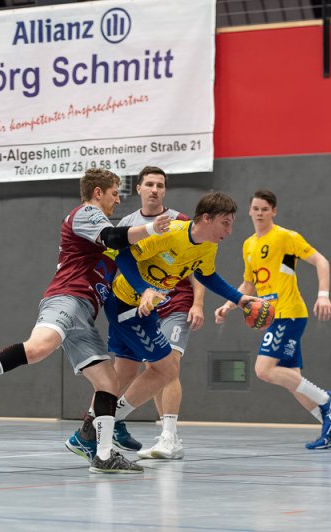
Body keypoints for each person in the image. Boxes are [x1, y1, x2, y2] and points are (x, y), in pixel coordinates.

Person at [0, 168, 170, 474]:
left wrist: (147, 289)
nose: (118, 200)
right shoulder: (87, 213)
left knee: (108, 383)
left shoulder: (105, 242)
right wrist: (152, 228)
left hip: (85, 315)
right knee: (40, 347)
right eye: (115, 193)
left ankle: (104, 456)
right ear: (98, 192)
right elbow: (113, 236)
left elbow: (121, 254)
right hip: (66, 298)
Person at [70, 191, 258, 460]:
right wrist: (144, 289)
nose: (229, 231)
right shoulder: (170, 233)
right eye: (225, 223)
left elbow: (208, 275)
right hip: (126, 305)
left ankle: (88, 433)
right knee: (167, 369)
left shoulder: (208, 246)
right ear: (206, 218)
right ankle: (103, 425)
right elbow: (124, 257)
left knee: (124, 372)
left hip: (145, 308)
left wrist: (240, 299)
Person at [66, 166, 205, 461]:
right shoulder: (127, 225)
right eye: (149, 184)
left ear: (165, 191)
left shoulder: (179, 221)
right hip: (134, 304)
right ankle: (96, 427)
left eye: (160, 185)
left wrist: (198, 303)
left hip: (174, 302)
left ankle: (168, 436)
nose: (155, 189)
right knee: (125, 371)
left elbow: (197, 267)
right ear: (139, 189)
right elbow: (118, 265)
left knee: (168, 364)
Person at [214, 189, 331, 450]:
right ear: (249, 211)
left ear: (273, 211)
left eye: (265, 209)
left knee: (263, 370)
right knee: (293, 380)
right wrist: (229, 305)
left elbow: (321, 261)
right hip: (273, 316)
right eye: (255, 208)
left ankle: (327, 399)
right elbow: (249, 284)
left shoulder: (286, 237)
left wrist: (323, 295)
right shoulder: (248, 245)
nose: (259, 213)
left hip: (289, 313)